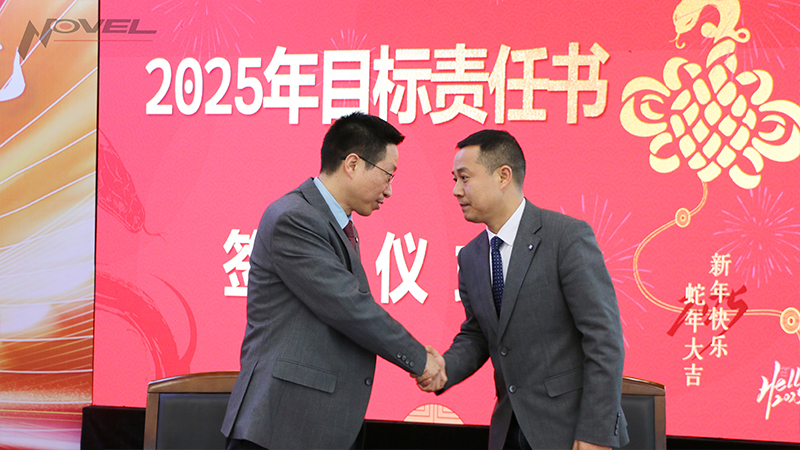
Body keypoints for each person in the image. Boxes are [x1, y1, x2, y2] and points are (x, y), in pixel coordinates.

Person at [222, 112, 444, 449]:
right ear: (352, 164)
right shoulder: (295, 218)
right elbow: (350, 307)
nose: (389, 190)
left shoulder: (334, 224)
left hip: (314, 425)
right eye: (387, 174)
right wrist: (418, 358)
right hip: (280, 427)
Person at [421, 130, 628, 450]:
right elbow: (478, 334)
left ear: (503, 176)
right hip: (508, 430)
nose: (456, 190)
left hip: (570, 430)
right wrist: (444, 369)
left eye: (465, 177)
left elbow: (604, 338)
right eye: (454, 179)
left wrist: (595, 433)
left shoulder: (566, 237)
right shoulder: (471, 256)